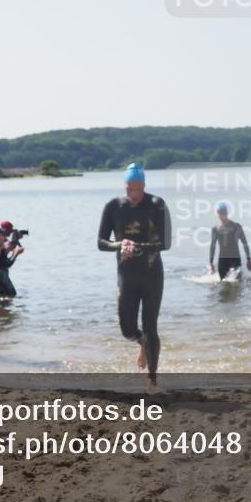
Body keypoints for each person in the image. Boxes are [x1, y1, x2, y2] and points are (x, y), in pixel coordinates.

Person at [97, 163, 171, 393]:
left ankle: (153, 380)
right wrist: (120, 244)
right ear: (125, 186)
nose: (134, 194)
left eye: (138, 189)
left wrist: (136, 247)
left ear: (144, 186)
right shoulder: (113, 206)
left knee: (151, 326)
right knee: (127, 329)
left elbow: (165, 243)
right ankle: (141, 343)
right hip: (126, 276)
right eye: (130, 189)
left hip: (151, 275)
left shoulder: (157, 205)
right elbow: (101, 242)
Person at [208, 202, 251, 280]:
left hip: (235, 258)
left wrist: (249, 259)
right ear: (217, 213)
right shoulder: (215, 228)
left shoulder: (236, 226)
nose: (222, 213)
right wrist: (211, 262)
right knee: (222, 283)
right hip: (222, 260)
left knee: (237, 284)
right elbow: (213, 246)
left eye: (223, 211)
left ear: (227, 212)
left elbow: (244, 243)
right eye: (220, 211)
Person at [0, 221, 24, 297]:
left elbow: (6, 252)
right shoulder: (2, 242)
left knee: (0, 295)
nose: (9, 234)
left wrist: (15, 241)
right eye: (9, 232)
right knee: (12, 294)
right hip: (1, 274)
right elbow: (7, 263)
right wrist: (16, 253)